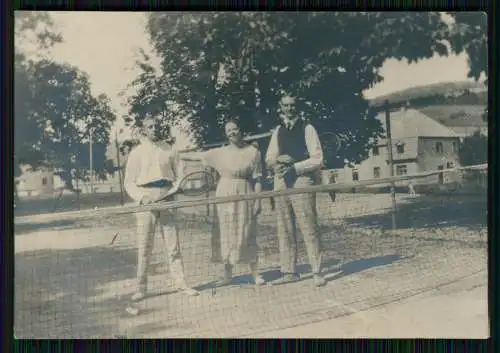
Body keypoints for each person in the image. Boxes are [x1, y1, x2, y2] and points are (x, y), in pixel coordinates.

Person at [180, 119, 266, 286]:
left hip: (245, 192)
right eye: (229, 130)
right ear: (226, 134)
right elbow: (196, 156)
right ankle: (227, 275)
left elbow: (258, 179)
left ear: (241, 130)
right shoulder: (219, 152)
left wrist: (258, 201)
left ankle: (256, 274)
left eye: (235, 129)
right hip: (224, 193)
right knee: (225, 231)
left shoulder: (253, 152)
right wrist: (173, 154)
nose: (232, 132)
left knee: (248, 231)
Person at [124, 115, 199, 302]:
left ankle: (181, 283)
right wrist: (143, 197)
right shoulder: (136, 153)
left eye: (156, 125)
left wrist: (174, 189)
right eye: (150, 126)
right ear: (143, 130)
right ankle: (141, 288)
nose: (154, 129)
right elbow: (129, 183)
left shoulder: (169, 150)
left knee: (173, 245)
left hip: (167, 198)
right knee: (144, 246)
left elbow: (180, 175)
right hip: (145, 200)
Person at [265, 94, 326, 287]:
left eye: (293, 105)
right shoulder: (278, 131)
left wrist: (296, 166)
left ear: (297, 107)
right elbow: (269, 156)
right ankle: (289, 271)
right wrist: (276, 165)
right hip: (282, 180)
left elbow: (317, 158)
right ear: (280, 107)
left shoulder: (307, 128)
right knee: (284, 227)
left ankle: (317, 271)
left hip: (302, 180)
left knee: (308, 225)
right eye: (286, 106)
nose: (289, 109)